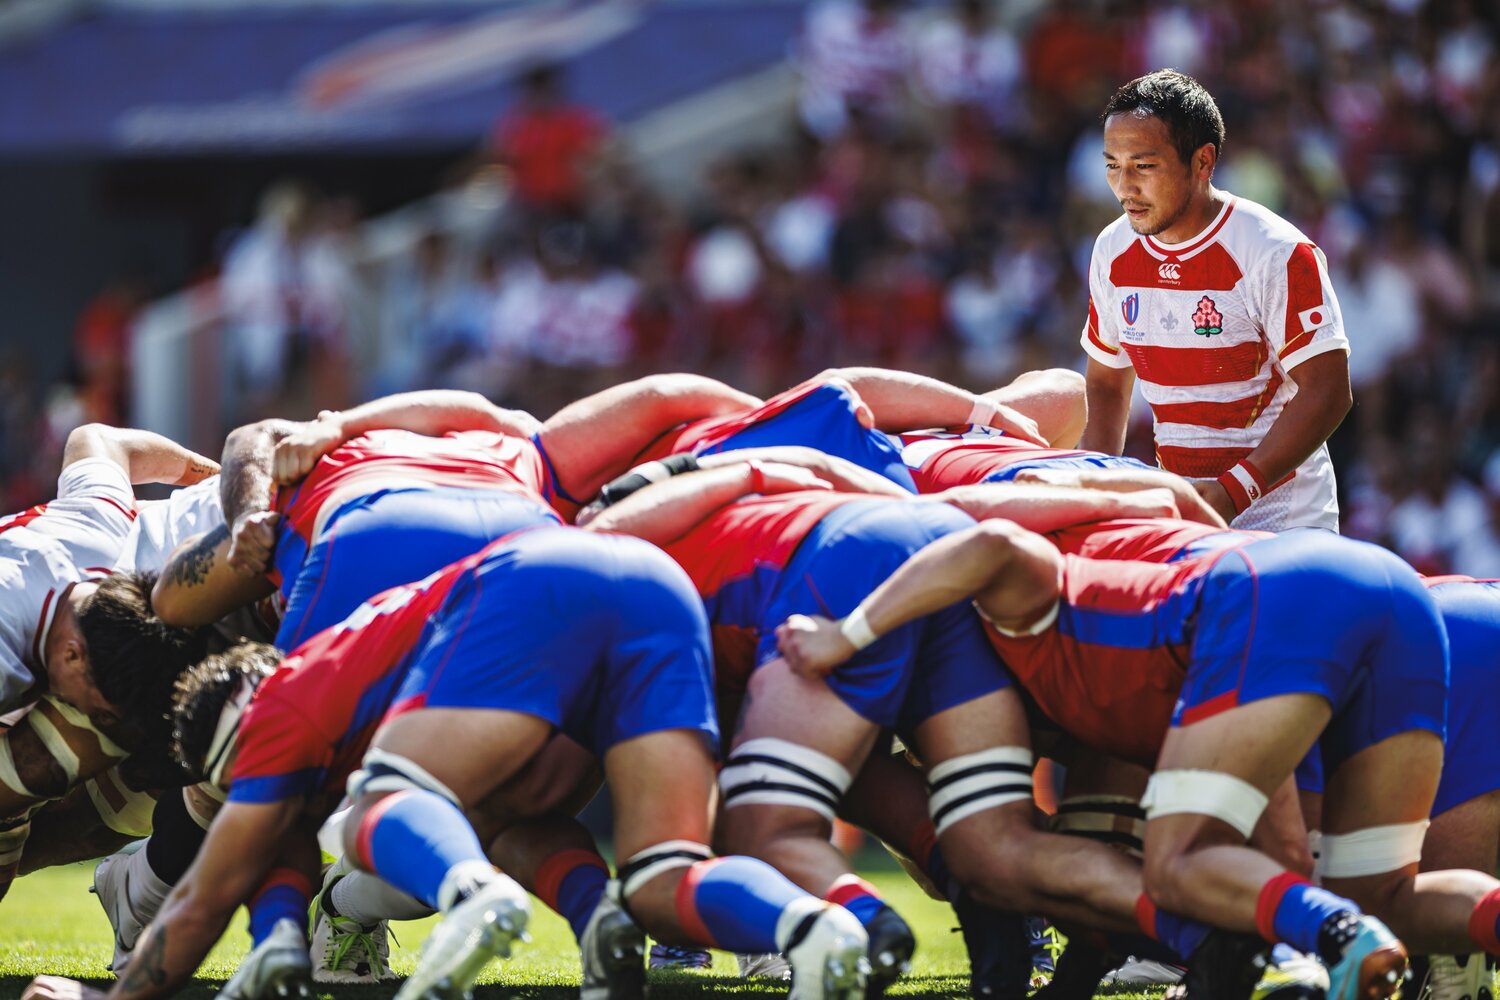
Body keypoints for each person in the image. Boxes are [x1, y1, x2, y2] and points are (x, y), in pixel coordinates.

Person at [20, 525, 872, 1000]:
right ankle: (813, 929)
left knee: (378, 808)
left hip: (530, 586)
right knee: (656, 872)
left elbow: (209, 894)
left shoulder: (283, 707)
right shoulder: (328, 664)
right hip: (646, 579)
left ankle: (473, 896)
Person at [775, 521, 1500, 998]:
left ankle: (1337, 936)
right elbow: (1278, 845)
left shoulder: (1022, 615)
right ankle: (1345, 929)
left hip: (1274, 597)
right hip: (1394, 593)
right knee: (1384, 898)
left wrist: (847, 635)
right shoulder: (1125, 688)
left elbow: (990, 541)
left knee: (1175, 865)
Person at [1078, 69, 1352, 532]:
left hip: (1286, 522)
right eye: (1111, 165)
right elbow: (1106, 384)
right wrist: (1090, 486)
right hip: (1190, 515)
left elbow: (1328, 392)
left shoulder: (1275, 250)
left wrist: (1233, 491)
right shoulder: (1112, 249)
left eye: (1143, 166)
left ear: (1203, 162)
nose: (1124, 186)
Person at [0, 424, 217, 903]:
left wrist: (212, 476)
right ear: (72, 655)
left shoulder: (96, 530)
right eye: (100, 708)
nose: (99, 718)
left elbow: (100, 440)